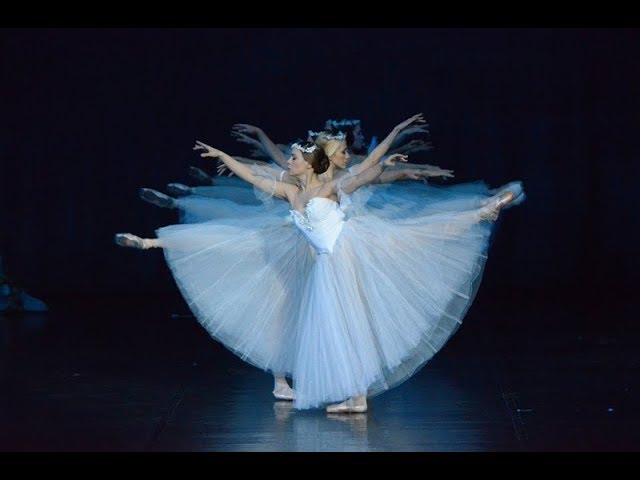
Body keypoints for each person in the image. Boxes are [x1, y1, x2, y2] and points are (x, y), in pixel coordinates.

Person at [115, 124, 520, 412]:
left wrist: (392, 142)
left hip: (351, 250)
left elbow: (366, 172)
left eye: (293, 157)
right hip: (326, 263)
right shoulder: (292, 192)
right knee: (340, 324)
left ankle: (480, 213)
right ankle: (357, 397)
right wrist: (223, 156)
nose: (288, 161)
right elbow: (255, 173)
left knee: (418, 236)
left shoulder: (330, 186)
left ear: (308, 164)